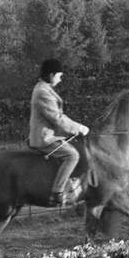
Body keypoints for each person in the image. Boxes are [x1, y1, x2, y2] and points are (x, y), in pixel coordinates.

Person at [28, 58, 90, 207]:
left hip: (50, 133)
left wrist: (76, 126)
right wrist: (80, 128)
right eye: (59, 76)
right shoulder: (42, 92)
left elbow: (59, 116)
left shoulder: (44, 88)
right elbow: (57, 118)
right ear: (51, 75)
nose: (60, 80)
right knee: (72, 155)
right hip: (45, 138)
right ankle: (58, 192)